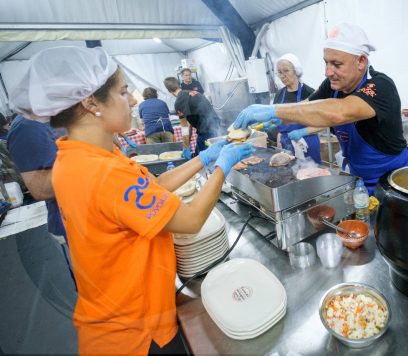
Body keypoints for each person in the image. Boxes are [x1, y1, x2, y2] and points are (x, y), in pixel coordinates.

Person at [10, 46, 254, 354]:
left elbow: (154, 186)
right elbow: (190, 220)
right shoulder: (103, 171)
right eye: (124, 92)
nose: (134, 100)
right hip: (136, 334)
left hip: (107, 319)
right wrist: (223, 165)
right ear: (91, 103)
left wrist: (204, 158)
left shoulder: (75, 155)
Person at [232, 23, 408, 194]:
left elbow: (339, 112)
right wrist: (276, 118)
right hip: (357, 178)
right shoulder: (332, 85)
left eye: (336, 64)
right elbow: (307, 106)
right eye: (326, 62)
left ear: (361, 62)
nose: (328, 72)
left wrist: (274, 110)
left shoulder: (380, 85)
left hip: (393, 182)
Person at [272, 54, 321, 163]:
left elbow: (322, 125)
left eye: (286, 71)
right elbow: (277, 120)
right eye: (279, 72)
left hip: (307, 143)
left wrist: (302, 132)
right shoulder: (279, 94)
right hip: (286, 143)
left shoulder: (309, 93)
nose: (282, 76)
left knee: (312, 175)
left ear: (296, 71)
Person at [164, 76, 220, 154]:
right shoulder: (195, 92)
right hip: (215, 126)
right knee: (200, 153)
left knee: (201, 159)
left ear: (169, 91)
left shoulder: (179, 102)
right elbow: (189, 122)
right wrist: (188, 141)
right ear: (179, 85)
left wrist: (186, 147)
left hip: (205, 130)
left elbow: (184, 128)